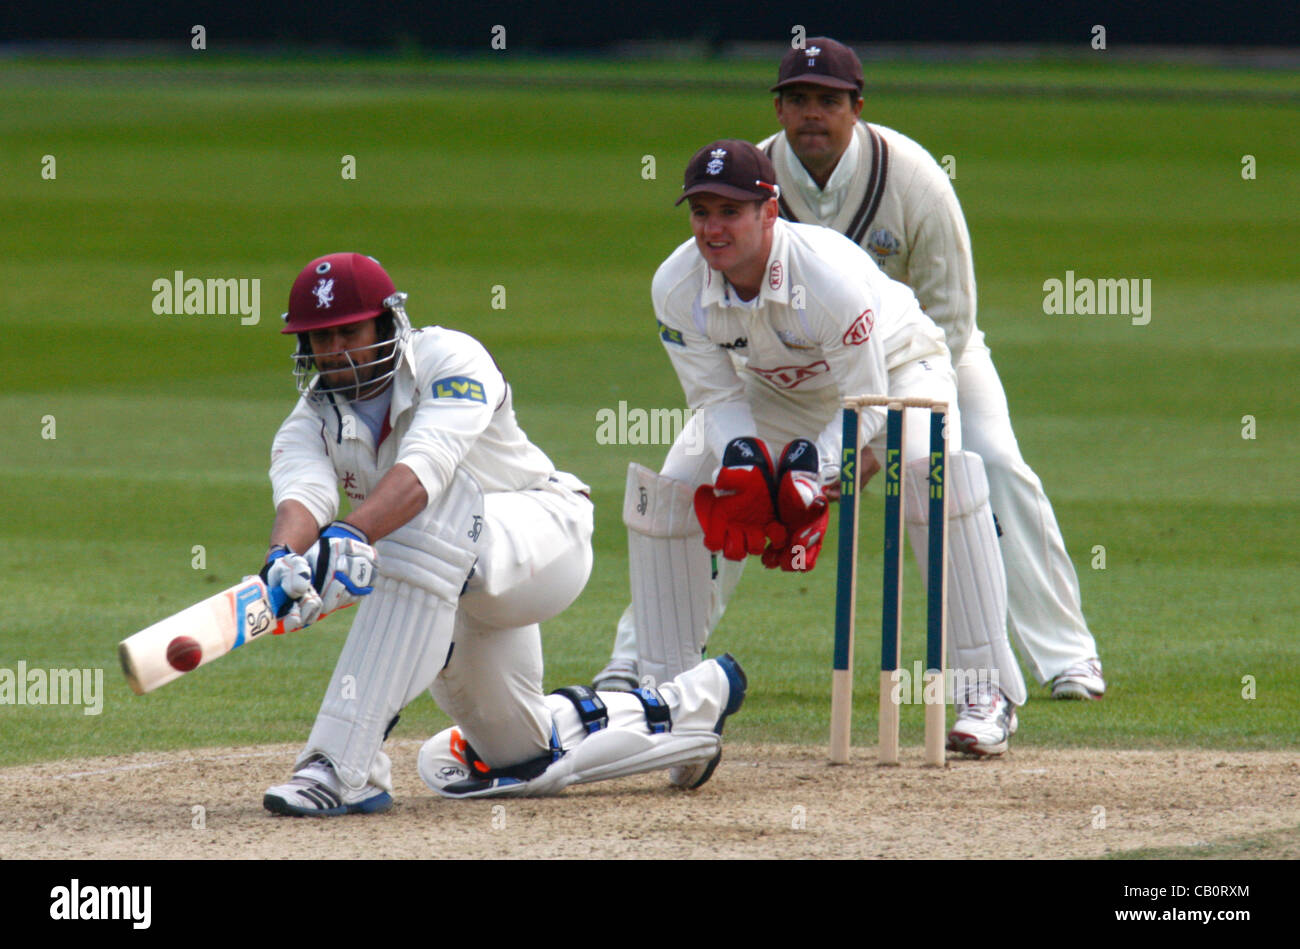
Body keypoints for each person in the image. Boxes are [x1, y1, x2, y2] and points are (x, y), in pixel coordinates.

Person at [258, 252, 747, 816]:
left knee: (423, 523)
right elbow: (303, 497)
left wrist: (346, 537)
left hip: (541, 537)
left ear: (387, 323)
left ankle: (338, 765)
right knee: (520, 753)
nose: (336, 351)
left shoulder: (451, 357)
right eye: (320, 338)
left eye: (349, 331)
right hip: (445, 582)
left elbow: (425, 472)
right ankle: (688, 704)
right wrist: (282, 561)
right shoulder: (308, 418)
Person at [593, 142, 1026, 756]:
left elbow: (867, 399)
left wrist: (809, 479)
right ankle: (665, 697)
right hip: (776, 390)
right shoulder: (676, 285)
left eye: (730, 212)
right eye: (701, 213)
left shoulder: (826, 276)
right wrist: (747, 464)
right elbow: (714, 401)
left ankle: (985, 693)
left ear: (769, 211)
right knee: (676, 483)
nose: (713, 229)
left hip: (900, 373)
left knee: (938, 472)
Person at [752, 37, 1105, 700]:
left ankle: (1067, 656)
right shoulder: (756, 182)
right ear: (778, 108)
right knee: (730, 474)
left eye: (828, 101)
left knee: (993, 461)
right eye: (798, 100)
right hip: (811, 368)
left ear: (857, 108)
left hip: (928, 353)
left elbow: (952, 321)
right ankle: (655, 663)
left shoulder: (913, 178)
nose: (812, 115)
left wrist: (876, 434)